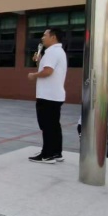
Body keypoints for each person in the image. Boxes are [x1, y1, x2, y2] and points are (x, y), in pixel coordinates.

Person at [28, 28, 67, 164]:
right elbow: (47, 69)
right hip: (54, 95)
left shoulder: (52, 52)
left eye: (45, 35)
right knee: (54, 125)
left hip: (47, 96)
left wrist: (33, 75)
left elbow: (48, 71)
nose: (42, 38)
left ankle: (47, 155)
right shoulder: (58, 51)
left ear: (53, 37)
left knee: (47, 126)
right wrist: (39, 61)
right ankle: (56, 152)